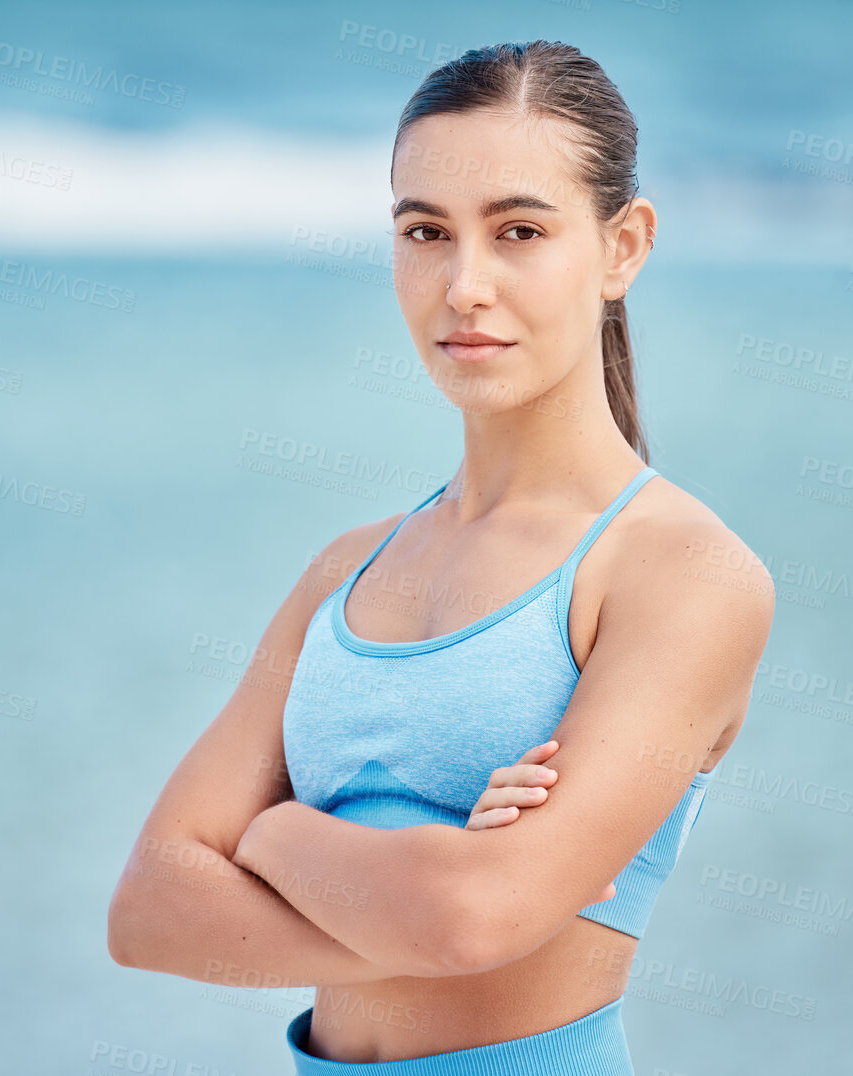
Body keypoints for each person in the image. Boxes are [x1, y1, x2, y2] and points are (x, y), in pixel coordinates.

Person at [106, 40, 774, 1075]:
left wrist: (276, 836)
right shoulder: (345, 569)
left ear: (621, 246)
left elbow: (473, 916)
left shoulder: (679, 572)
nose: (463, 283)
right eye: (425, 231)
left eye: (517, 231)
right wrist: (420, 896)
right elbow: (147, 910)